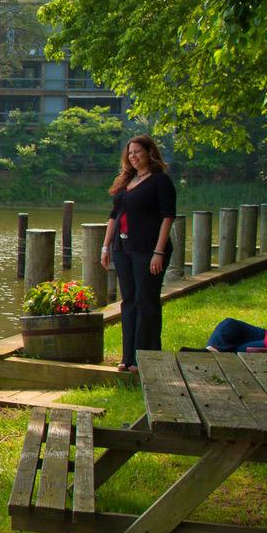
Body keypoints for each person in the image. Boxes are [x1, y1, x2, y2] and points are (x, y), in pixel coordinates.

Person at [101, 134, 177, 372]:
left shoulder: (160, 181)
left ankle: (145, 356)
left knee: (147, 301)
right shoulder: (126, 181)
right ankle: (128, 357)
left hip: (149, 250)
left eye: (138, 152)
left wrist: (159, 251)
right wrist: (106, 247)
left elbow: (168, 216)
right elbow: (114, 216)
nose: (133, 156)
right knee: (130, 301)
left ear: (149, 153)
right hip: (123, 249)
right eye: (130, 153)